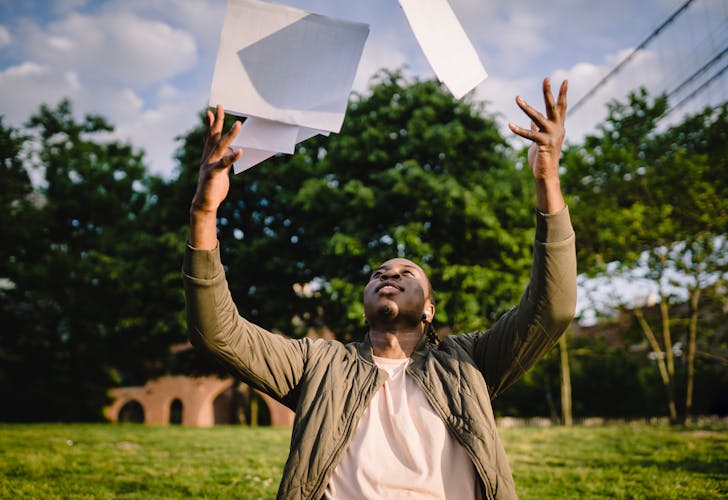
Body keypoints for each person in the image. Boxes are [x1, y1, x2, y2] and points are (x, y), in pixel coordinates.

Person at [183, 78, 576, 499]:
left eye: (407, 272)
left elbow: (550, 309)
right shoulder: (320, 365)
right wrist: (205, 212)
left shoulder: (471, 363)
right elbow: (219, 333)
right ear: (365, 302)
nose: (389, 274)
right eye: (378, 273)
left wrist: (547, 180)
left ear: (429, 309)